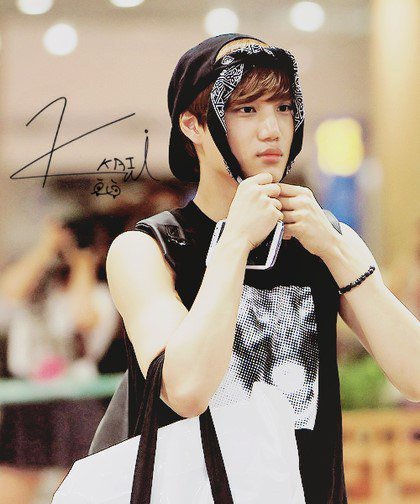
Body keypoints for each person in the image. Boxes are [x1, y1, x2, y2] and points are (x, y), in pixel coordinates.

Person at [106, 33, 420, 503]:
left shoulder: (323, 238)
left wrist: (338, 253)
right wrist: (234, 242)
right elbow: (185, 391)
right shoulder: (147, 249)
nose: (272, 129)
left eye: (284, 107)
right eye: (246, 109)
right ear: (193, 125)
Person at [0, 216, 118, 504]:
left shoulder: (103, 295)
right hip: (28, 400)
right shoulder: (35, 290)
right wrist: (45, 247)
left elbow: (82, 317)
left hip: (76, 401)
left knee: (78, 491)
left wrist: (83, 261)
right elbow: (7, 292)